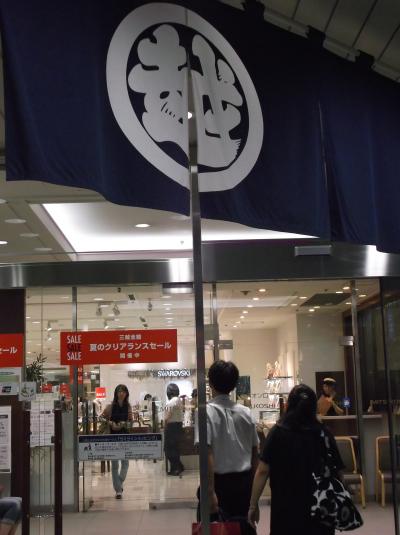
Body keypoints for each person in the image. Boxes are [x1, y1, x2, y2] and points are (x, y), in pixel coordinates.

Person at [248, 384, 344, 535]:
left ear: (288, 405)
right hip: (320, 509)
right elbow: (338, 471)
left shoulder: (278, 432)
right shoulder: (324, 433)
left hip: (286, 510)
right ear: (313, 407)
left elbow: (262, 471)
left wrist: (253, 505)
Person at [196, 360, 259, 519]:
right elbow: (255, 454)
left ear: (210, 383)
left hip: (218, 485)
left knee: (214, 528)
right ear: (234, 384)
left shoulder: (204, 412)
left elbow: (206, 455)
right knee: (242, 527)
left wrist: (210, 492)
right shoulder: (246, 412)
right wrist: (254, 499)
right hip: (244, 484)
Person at [102, 384, 133, 499]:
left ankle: (119, 482)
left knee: (125, 463)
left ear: (126, 393)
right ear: (116, 393)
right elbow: (101, 417)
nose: (121, 393)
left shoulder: (128, 407)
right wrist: (110, 423)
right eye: (119, 391)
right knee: (114, 465)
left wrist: (125, 424)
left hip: (125, 437)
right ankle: (118, 490)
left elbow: (131, 422)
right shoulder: (110, 406)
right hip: (112, 437)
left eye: (123, 391)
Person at [164, 383, 184, 476]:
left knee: (168, 449)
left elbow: (167, 416)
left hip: (172, 426)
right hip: (178, 426)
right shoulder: (179, 400)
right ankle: (179, 467)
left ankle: (176, 469)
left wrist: (164, 424)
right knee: (175, 448)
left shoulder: (171, 402)